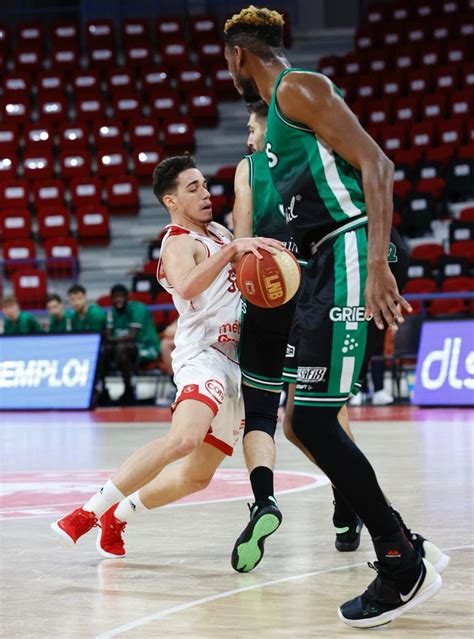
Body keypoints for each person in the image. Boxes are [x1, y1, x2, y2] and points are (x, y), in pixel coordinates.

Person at [224, 6, 448, 628]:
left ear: (238, 55)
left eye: (228, 63)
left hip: (352, 249)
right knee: (304, 425)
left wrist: (377, 263)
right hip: (325, 263)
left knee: (316, 421)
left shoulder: (298, 87)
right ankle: (400, 540)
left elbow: (378, 164)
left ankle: (401, 560)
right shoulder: (274, 122)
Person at [51, 155, 282, 560]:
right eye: (192, 188)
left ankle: (120, 515)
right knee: (183, 438)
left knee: (196, 478)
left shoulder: (221, 234)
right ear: (171, 201)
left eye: (205, 185)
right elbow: (187, 286)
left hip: (237, 361)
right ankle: (88, 512)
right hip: (202, 356)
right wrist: (232, 253)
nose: (205, 193)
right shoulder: (178, 240)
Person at [231, 100, 361, 574]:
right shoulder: (314, 153)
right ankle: (347, 507)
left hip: (266, 297)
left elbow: (241, 242)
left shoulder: (247, 171)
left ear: (269, 125)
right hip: (315, 291)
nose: (248, 138)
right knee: (325, 410)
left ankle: (264, 501)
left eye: (251, 127)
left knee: (260, 413)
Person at [105, 283, 161, 405]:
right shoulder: (111, 312)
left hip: (147, 347)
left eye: (121, 296)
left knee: (122, 348)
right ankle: (103, 390)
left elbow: (131, 336)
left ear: (127, 297)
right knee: (105, 349)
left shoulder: (138, 308)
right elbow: (107, 336)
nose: (118, 299)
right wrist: (110, 340)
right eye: (115, 297)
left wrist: (111, 339)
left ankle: (129, 390)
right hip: (126, 349)